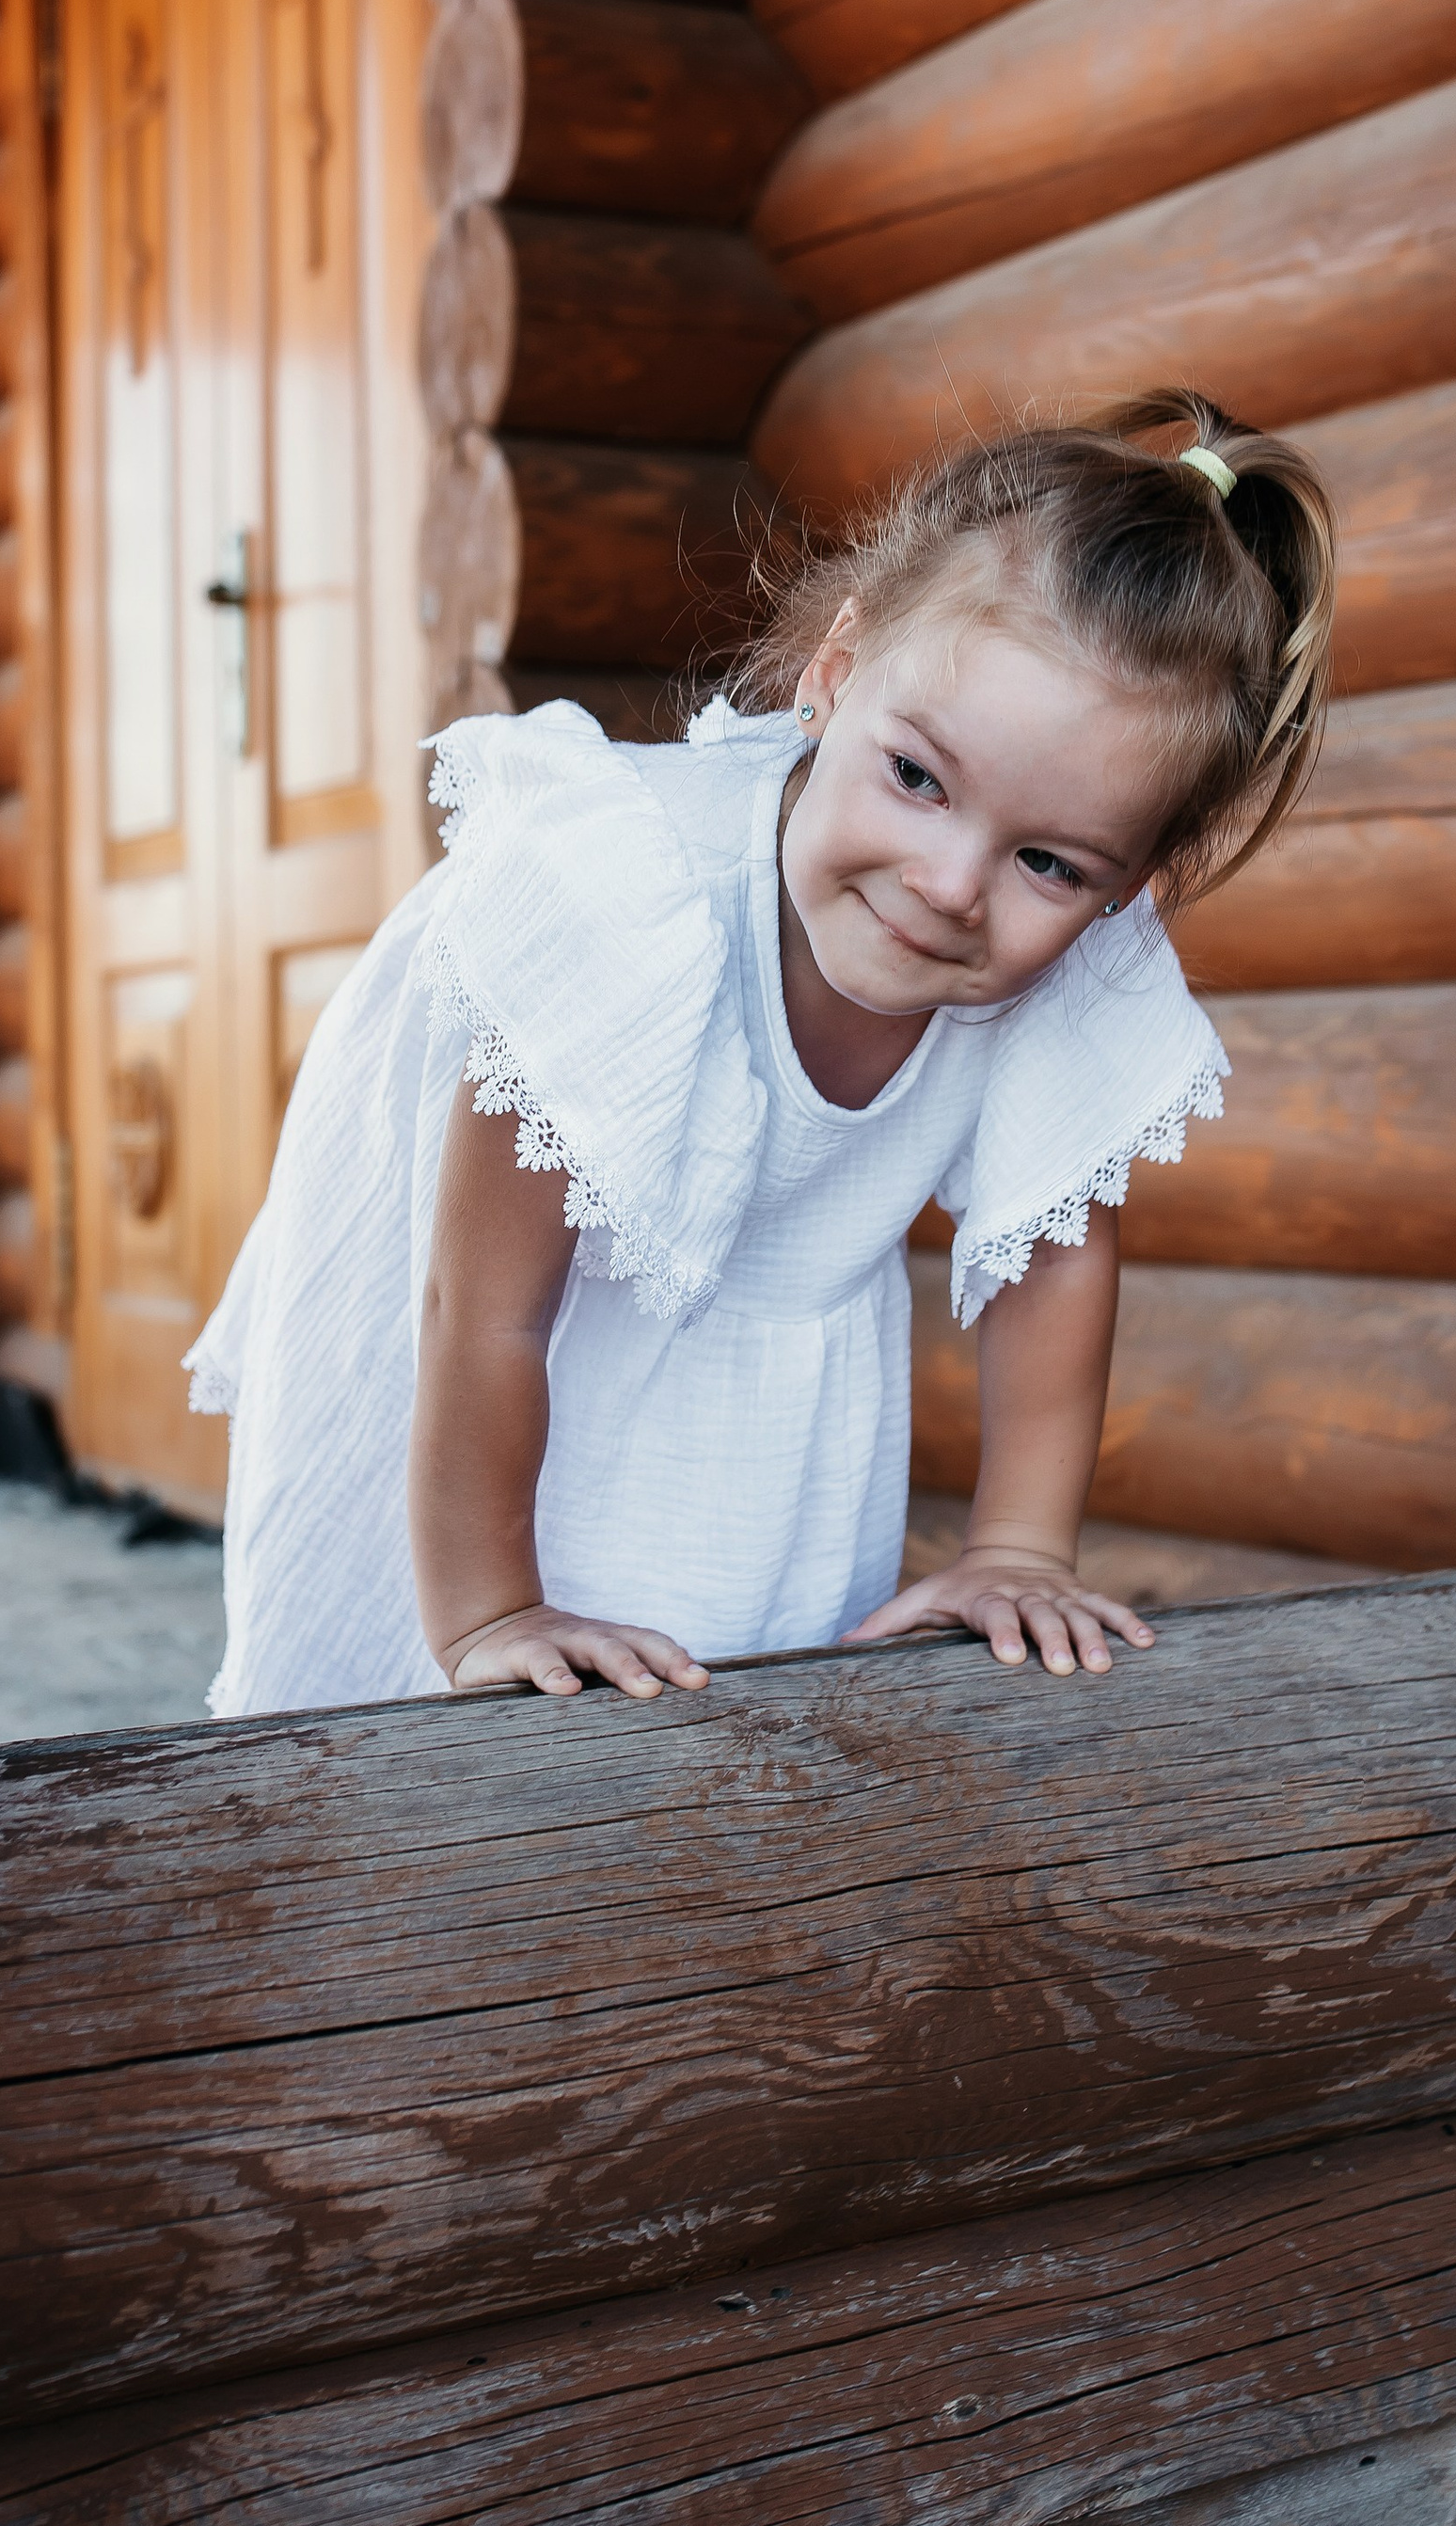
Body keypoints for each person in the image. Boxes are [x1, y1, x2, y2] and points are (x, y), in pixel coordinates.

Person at [188, 391, 1334, 1713]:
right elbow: (481, 1311)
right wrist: (489, 1615)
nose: (951, 884)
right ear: (836, 674)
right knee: (429, 1684)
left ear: (1132, 884)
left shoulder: (1069, 968)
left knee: (714, 1680)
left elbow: (1058, 1256)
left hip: (766, 1326)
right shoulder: (620, 896)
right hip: (481, 1278)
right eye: (917, 778)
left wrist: (1019, 1550)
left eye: (1049, 863)